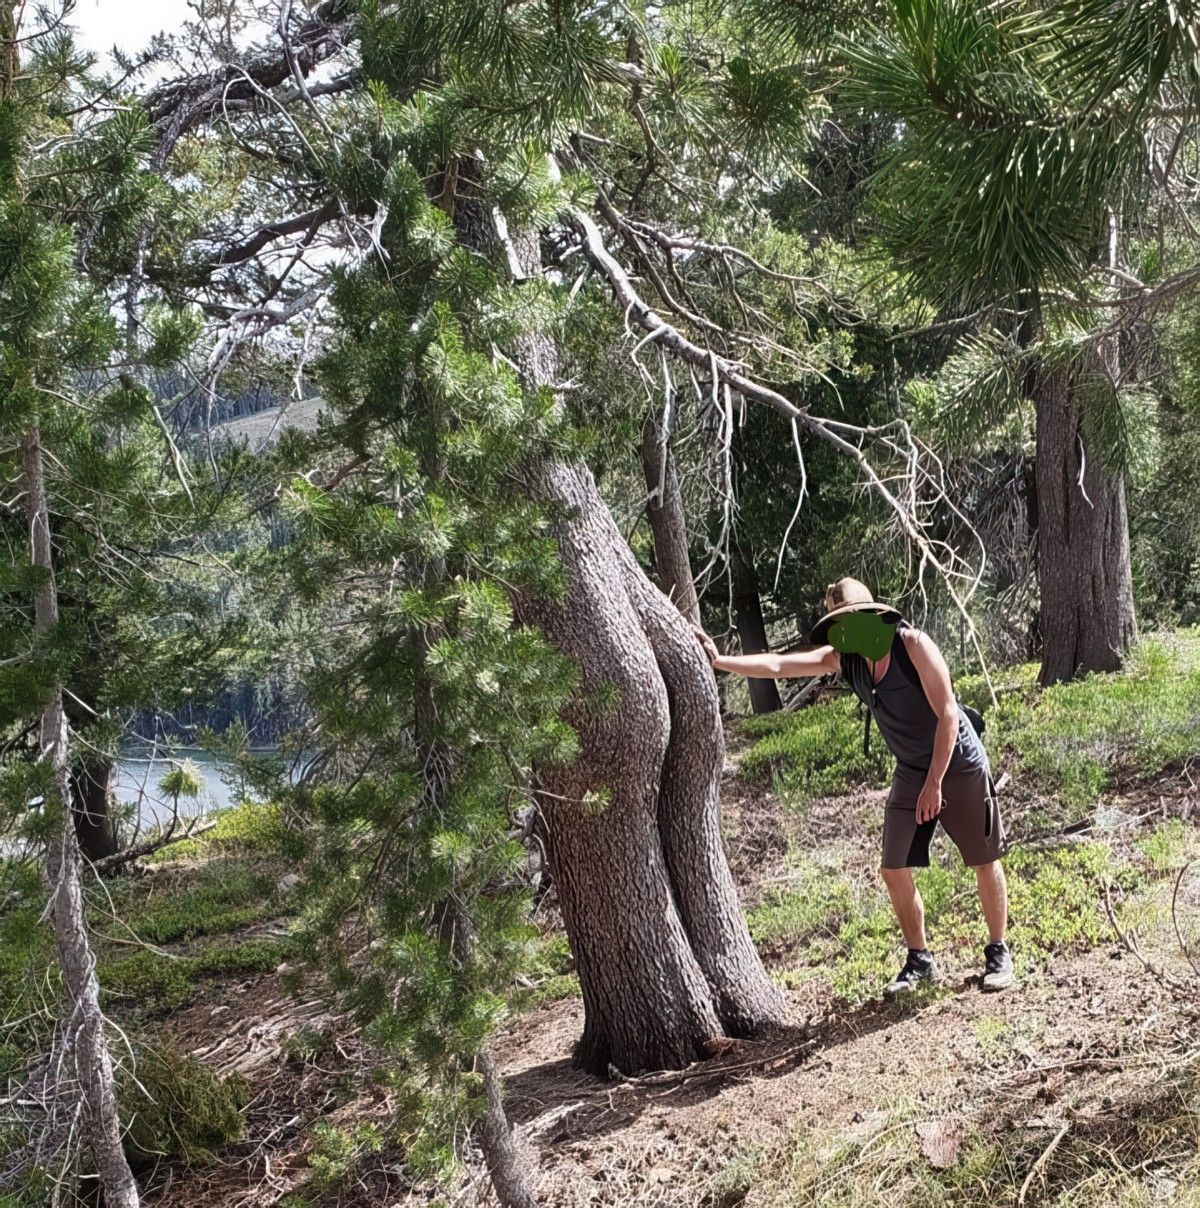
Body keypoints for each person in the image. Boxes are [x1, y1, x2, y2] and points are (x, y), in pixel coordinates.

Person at [695, 577, 1013, 997]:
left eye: (851, 620)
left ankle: (998, 952)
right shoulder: (846, 659)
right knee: (893, 867)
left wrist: (935, 782)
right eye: (837, 625)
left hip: (958, 763)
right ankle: (920, 961)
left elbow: (949, 714)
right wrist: (721, 661)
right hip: (911, 769)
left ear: (873, 615)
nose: (845, 631)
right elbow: (779, 665)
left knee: (983, 859)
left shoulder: (912, 645)